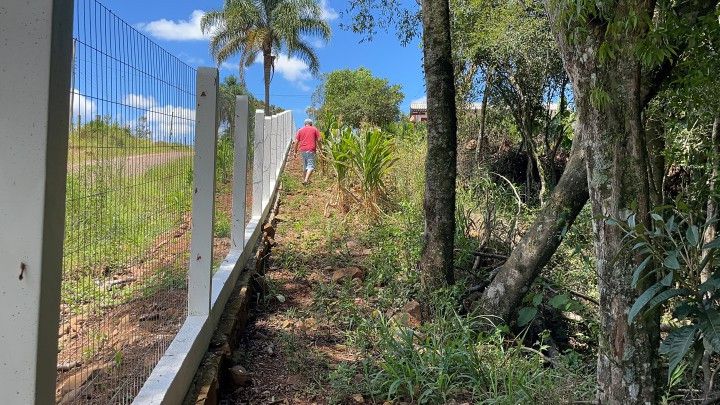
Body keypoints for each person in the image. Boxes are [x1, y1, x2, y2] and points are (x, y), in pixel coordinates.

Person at [293, 118, 321, 184]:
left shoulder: (300, 130)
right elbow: (319, 140)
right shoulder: (314, 129)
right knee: (311, 166)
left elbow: (296, 141)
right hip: (311, 149)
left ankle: (305, 180)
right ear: (311, 124)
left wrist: (295, 152)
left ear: (305, 124)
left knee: (305, 165)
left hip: (302, 150)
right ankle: (306, 180)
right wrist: (321, 149)